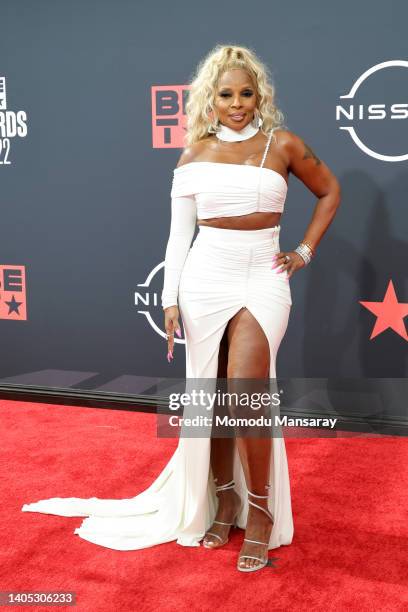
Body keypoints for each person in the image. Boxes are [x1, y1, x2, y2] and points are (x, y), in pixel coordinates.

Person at [21, 44, 340, 573]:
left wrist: (303, 251)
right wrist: (170, 298)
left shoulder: (282, 144)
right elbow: (179, 237)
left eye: (246, 92)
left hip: (264, 274)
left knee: (245, 391)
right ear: (209, 99)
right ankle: (225, 500)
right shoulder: (193, 154)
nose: (237, 103)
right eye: (226, 94)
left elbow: (329, 192)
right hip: (205, 277)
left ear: (259, 95)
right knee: (212, 399)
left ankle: (260, 514)